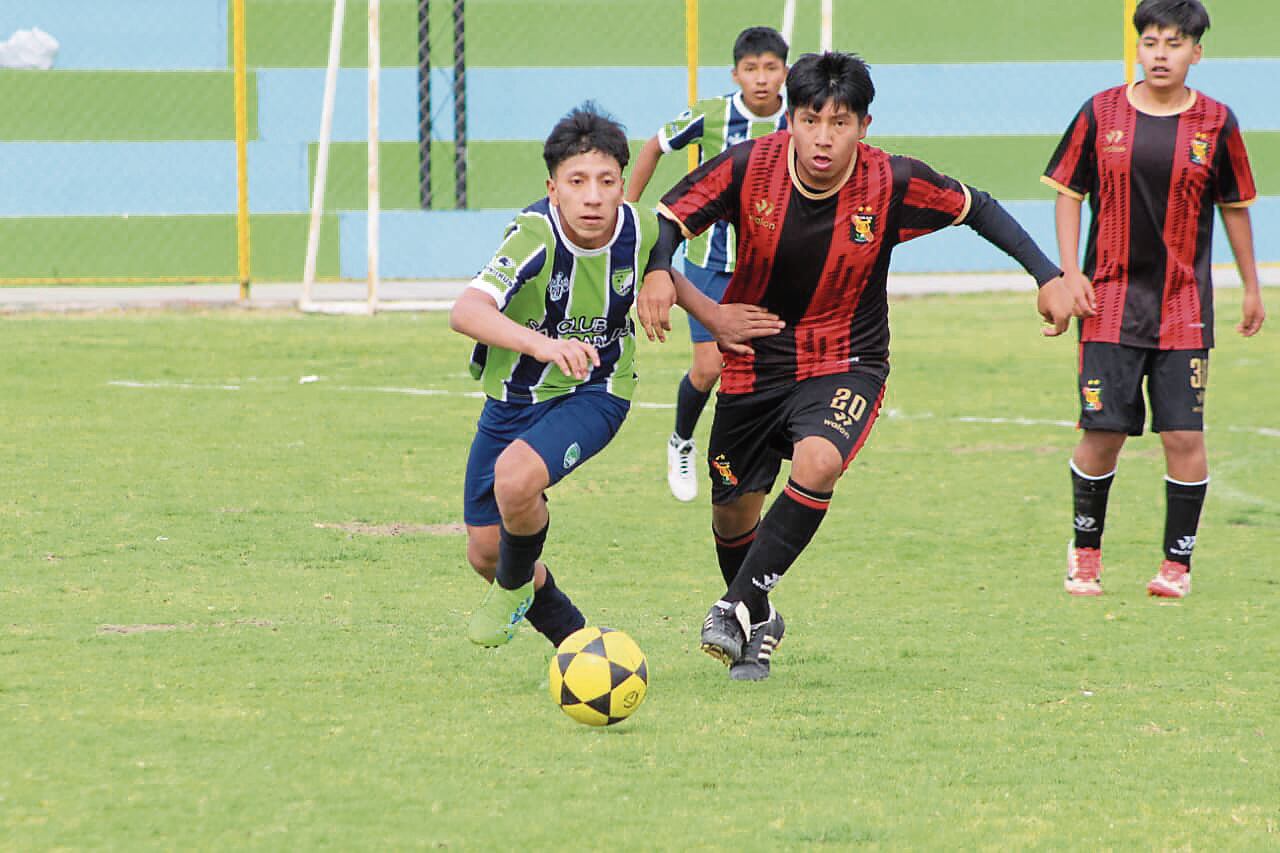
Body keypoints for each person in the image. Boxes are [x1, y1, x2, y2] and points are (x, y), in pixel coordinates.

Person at [638, 51, 1079, 680]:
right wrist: (663, 273)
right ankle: (759, 617)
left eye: (841, 122)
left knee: (821, 460)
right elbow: (669, 216)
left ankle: (733, 606)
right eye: (812, 119)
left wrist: (1048, 276)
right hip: (753, 358)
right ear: (790, 119)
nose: (824, 136)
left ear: (864, 126)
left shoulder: (892, 181)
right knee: (732, 512)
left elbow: (976, 206)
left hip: (847, 358)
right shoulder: (748, 167)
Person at [451, 103, 783, 648]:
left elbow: (664, 260)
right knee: (486, 552)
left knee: (516, 480)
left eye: (607, 181)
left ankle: (514, 590)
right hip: (512, 398)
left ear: (623, 184)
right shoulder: (533, 237)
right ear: (552, 188)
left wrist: (713, 315)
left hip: (597, 390)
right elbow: (466, 311)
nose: (593, 195)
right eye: (576, 181)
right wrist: (545, 344)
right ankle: (580, 646)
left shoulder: (638, 226)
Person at [1044, 0, 1264, 600]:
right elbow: (1067, 193)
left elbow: (1235, 208)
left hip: (1183, 307)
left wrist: (1251, 285)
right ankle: (1085, 553)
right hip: (1108, 302)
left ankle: (1177, 564)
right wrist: (1069, 274)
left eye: (1174, 44)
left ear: (1197, 52)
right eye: (1151, 43)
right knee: (1102, 431)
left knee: (1184, 436)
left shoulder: (1217, 122)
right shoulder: (1101, 112)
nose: (1161, 54)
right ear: (1137, 48)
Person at [626, 26, 790, 503]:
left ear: (785, 71)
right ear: (736, 73)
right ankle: (681, 440)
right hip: (709, 263)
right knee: (709, 367)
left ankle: (754, 455)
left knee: (773, 364)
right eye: (751, 69)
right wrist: (630, 211)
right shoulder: (714, 114)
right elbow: (656, 144)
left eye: (771, 68)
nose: (761, 79)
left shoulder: (799, 119)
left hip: (771, 268)